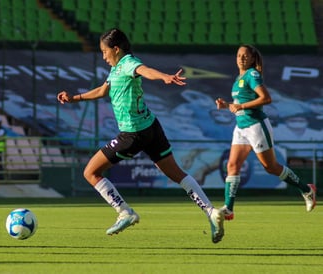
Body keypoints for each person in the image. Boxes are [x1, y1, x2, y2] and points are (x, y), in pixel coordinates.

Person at [57, 28, 225, 243]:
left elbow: (144, 70)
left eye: (104, 51)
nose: (103, 56)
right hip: (151, 127)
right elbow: (102, 91)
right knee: (176, 173)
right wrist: (75, 98)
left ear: (116, 49)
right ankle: (211, 212)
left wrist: (164, 76)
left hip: (133, 134)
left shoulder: (127, 63)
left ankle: (124, 212)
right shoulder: (117, 68)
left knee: (91, 172)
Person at [215, 44, 317, 220]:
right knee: (232, 166)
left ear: (253, 59)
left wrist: (241, 106)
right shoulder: (239, 77)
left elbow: (266, 99)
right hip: (241, 127)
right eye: (239, 55)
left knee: (270, 167)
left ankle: (307, 189)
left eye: (245, 55)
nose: (241, 58)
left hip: (256, 125)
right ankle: (229, 209)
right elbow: (240, 104)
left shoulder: (252, 74)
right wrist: (227, 106)